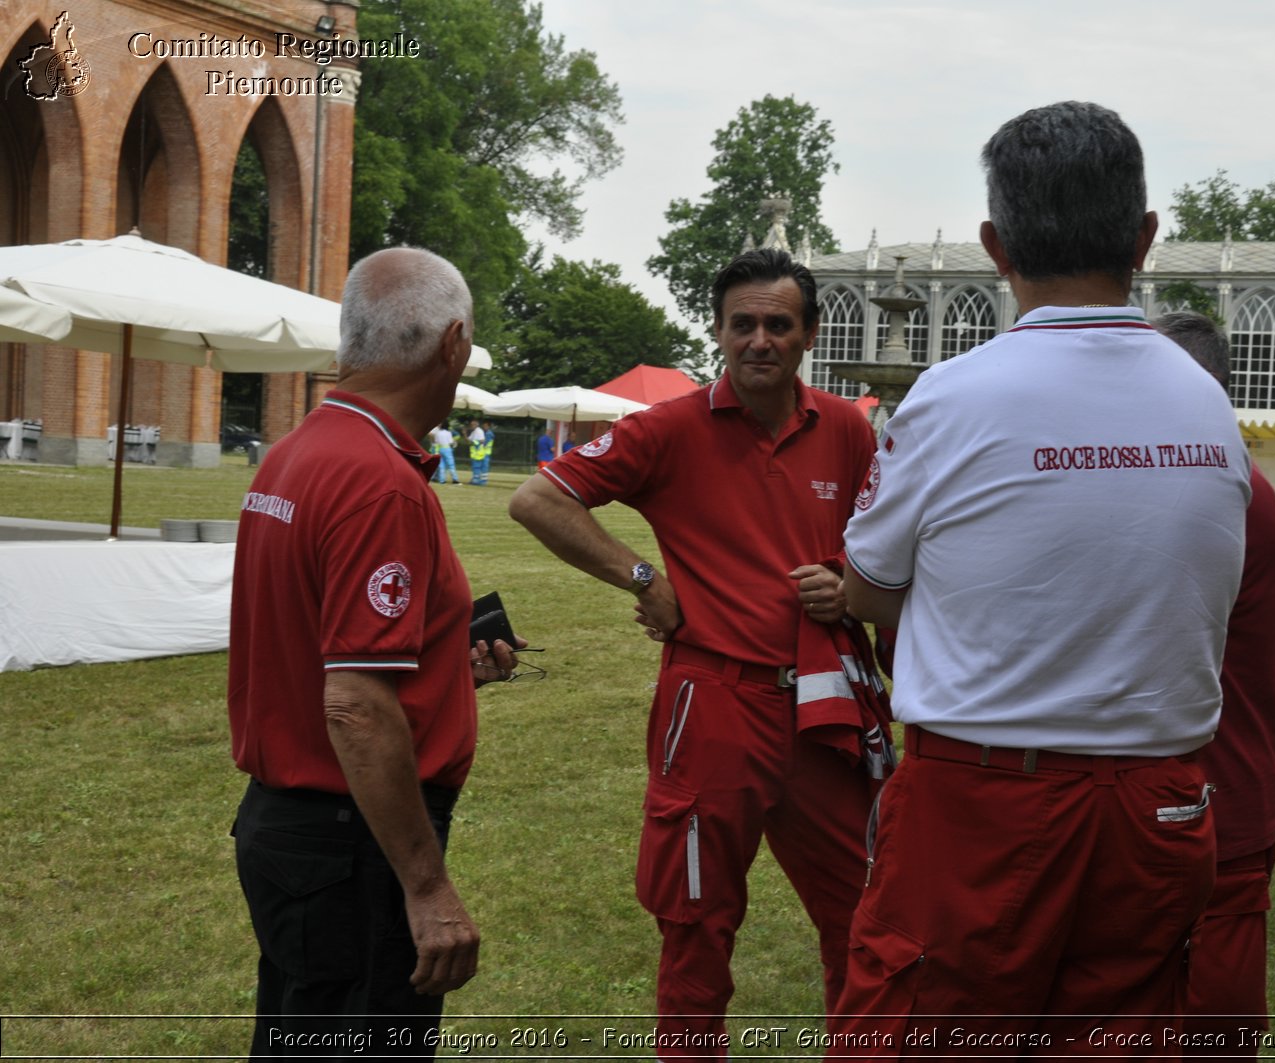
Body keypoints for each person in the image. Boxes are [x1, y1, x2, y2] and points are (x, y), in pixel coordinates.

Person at [832, 101, 1249, 1050]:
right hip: (1160, 802)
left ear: (994, 245)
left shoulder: (954, 393)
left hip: (989, 799)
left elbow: (864, 587)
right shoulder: (1209, 406)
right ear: (1145, 237)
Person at [508, 248, 882, 1052]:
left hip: (823, 704)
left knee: (863, 915)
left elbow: (885, 550)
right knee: (696, 920)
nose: (759, 340)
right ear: (716, 330)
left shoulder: (848, 428)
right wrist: (641, 575)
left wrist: (847, 582)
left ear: (808, 335)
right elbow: (537, 497)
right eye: (741, 324)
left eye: (778, 325)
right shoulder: (672, 427)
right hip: (713, 701)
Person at [229, 247, 520, 1056]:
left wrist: (444, 672)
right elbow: (354, 702)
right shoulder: (379, 480)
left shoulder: (296, 453)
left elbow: (315, 648)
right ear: (453, 343)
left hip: (294, 830)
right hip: (350, 844)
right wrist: (426, 888)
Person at [1153, 311, 1275, 1058]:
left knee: (1212, 1027)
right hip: (1211, 793)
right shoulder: (1226, 480)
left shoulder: (1224, 492)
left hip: (1215, 805)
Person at [467, 419, 489, 485]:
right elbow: (469, 440)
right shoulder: (474, 432)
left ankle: (477, 480)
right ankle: (479, 480)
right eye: (471, 424)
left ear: (477, 424)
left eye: (473, 424)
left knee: (477, 467)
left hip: (478, 452)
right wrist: (465, 434)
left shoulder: (479, 431)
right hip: (476, 453)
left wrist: (474, 442)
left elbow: (482, 440)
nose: (472, 426)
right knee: (478, 467)